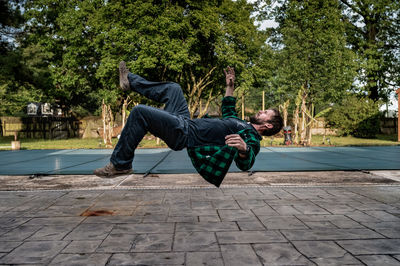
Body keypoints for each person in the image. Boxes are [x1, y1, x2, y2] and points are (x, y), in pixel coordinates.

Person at [94, 62, 283, 187]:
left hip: (184, 133)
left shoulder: (250, 137)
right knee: (174, 88)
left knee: (139, 112)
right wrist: (230, 86)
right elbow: (228, 106)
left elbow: (247, 161)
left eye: (265, 113)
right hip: (185, 121)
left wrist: (243, 149)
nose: (261, 111)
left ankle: (120, 164)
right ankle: (130, 82)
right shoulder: (240, 123)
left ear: (267, 126)